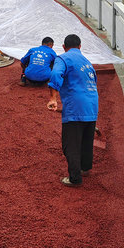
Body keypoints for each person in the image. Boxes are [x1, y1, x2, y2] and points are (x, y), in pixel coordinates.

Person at [47, 34, 98, 187]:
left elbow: (56, 74)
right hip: (92, 104)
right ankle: (85, 168)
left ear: (64, 47)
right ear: (80, 47)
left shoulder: (63, 58)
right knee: (86, 140)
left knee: (71, 143)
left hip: (75, 106)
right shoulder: (87, 62)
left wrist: (53, 98)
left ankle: (75, 178)